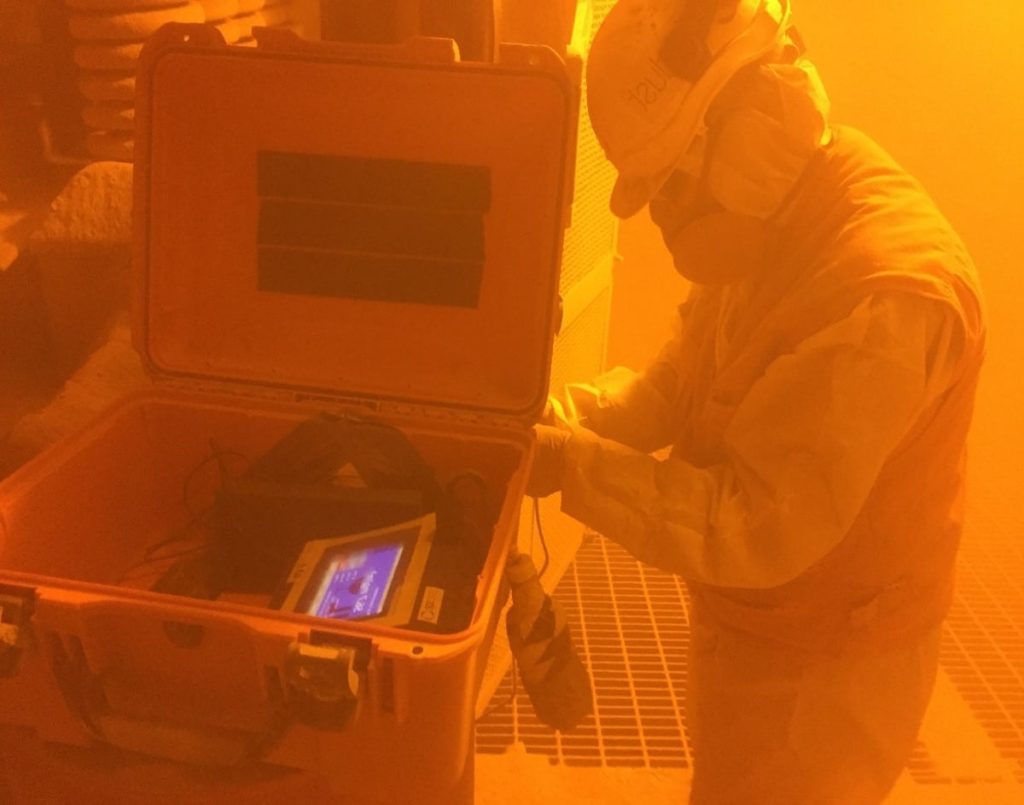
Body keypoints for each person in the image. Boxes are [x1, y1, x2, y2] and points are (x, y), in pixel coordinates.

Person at [526, 0, 986, 802]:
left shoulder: (880, 301)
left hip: (831, 666)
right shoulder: (778, 210)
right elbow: (680, 383)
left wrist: (570, 466)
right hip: (761, 626)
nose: (666, 217)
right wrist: (564, 421)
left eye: (669, 185)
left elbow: (750, 522)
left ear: (740, 132)